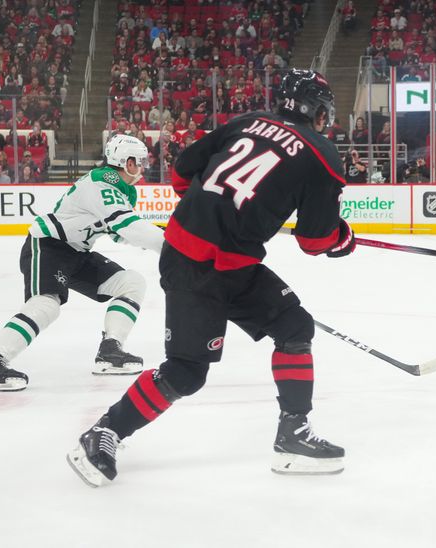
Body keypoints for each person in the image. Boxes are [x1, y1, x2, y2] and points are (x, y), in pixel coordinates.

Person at [67, 70, 355, 487]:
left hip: (214, 258)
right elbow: (315, 240)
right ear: (316, 110)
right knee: (186, 370)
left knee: (294, 325)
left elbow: (183, 176)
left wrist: (222, 207)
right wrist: (341, 237)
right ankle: (105, 431)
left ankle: (293, 434)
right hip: (200, 266)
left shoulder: (247, 122)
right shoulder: (323, 155)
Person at [0, 135, 166, 392]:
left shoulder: (123, 189)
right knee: (46, 305)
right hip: (49, 245)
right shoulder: (102, 182)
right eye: (139, 161)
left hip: (78, 253)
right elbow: (127, 226)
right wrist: (172, 245)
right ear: (127, 162)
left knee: (131, 283)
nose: (143, 166)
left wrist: (161, 233)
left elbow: (121, 232)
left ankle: (110, 351)